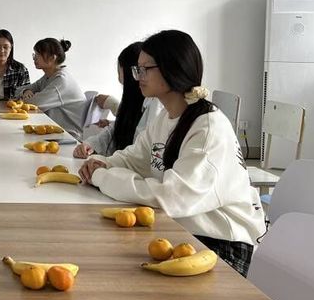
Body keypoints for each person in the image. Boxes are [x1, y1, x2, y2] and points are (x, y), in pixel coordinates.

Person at [78, 30, 266, 277]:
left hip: (223, 243)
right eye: (137, 69)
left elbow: (171, 197)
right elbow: (134, 158)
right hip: (184, 226)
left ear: (172, 69)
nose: (138, 77)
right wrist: (100, 162)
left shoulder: (208, 128)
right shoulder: (166, 117)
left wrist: (102, 176)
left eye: (145, 69)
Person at [73, 42, 162, 157]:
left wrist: (106, 162)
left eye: (143, 69)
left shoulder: (156, 103)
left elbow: (140, 153)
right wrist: (91, 144)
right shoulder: (140, 100)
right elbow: (118, 129)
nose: (139, 75)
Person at [15, 38, 85, 136]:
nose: (34, 58)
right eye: (34, 54)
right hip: (52, 130)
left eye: (38, 54)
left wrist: (29, 96)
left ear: (52, 58)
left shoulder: (61, 80)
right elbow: (17, 91)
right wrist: (26, 91)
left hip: (69, 136)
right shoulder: (49, 76)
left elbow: (33, 104)